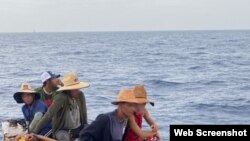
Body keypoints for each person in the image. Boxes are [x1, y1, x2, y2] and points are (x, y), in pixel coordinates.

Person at [31, 72, 89, 141]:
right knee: (64, 138)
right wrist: (34, 132)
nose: (78, 91)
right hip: (63, 130)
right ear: (69, 89)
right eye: (75, 89)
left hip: (77, 127)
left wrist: (86, 127)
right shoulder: (61, 98)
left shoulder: (80, 95)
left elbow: (84, 113)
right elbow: (48, 115)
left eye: (78, 88)